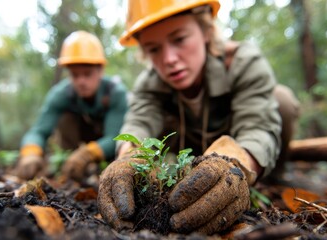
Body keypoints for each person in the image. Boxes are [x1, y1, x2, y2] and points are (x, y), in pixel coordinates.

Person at [98, 0, 300, 235]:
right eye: (154, 49)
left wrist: (236, 167)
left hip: (238, 147)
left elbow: (258, 125)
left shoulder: (242, 62)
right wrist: (129, 158)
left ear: (206, 30)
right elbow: (139, 122)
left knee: (281, 100)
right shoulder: (149, 84)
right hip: (185, 159)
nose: (169, 58)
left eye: (179, 39)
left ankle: (272, 179)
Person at [15, 31, 128, 181]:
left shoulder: (115, 93)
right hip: (77, 142)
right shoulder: (61, 94)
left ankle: (100, 168)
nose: (81, 81)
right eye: (75, 75)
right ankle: (70, 168)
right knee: (65, 118)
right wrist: (30, 153)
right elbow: (39, 130)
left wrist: (87, 154)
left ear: (100, 70)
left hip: (106, 142)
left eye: (87, 74)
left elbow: (115, 137)